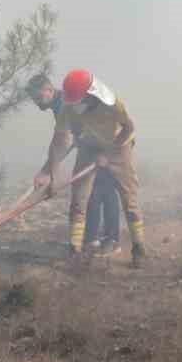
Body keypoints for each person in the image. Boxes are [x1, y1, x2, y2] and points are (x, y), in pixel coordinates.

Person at [30, 68, 145, 265]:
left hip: (119, 145)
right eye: (71, 102)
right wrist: (51, 174)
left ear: (90, 95)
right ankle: (74, 251)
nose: (74, 107)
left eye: (78, 102)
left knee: (129, 200)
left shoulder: (111, 102)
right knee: (79, 199)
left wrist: (108, 154)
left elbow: (129, 128)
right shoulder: (68, 105)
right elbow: (59, 140)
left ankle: (138, 248)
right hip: (89, 145)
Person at [25, 72, 120, 252]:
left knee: (104, 189)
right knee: (91, 193)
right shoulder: (57, 104)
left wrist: (52, 175)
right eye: (33, 99)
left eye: (38, 97)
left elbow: (65, 141)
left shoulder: (63, 103)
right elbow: (63, 143)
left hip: (105, 142)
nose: (36, 102)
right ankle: (91, 239)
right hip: (89, 145)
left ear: (49, 89)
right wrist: (46, 171)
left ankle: (111, 240)